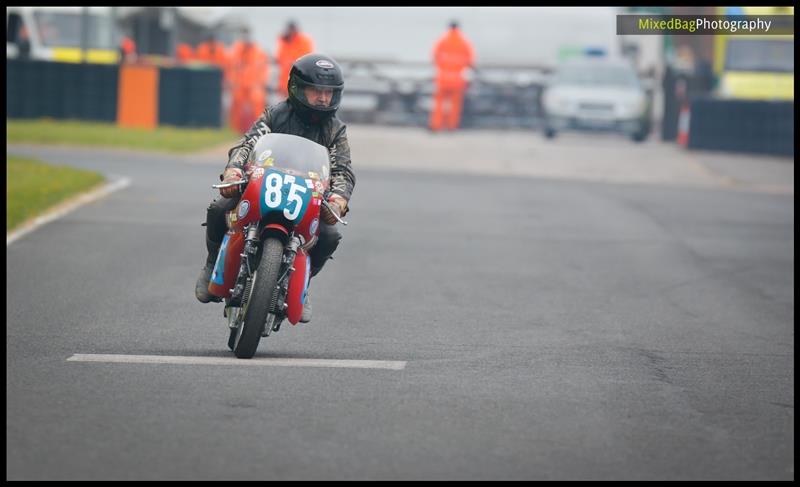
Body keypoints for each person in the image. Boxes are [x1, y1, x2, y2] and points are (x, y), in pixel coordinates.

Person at [195, 53, 355, 324]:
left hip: (310, 194)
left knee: (329, 235)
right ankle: (212, 265)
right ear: (297, 88)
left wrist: (338, 198)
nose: (323, 99)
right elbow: (247, 145)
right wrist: (234, 170)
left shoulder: (335, 130)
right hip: (263, 181)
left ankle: (302, 283)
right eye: (316, 91)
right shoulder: (275, 114)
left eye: (329, 93)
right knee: (219, 208)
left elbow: (343, 169)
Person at [429, 20, 475, 132]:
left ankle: (436, 125)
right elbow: (470, 61)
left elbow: (434, 57)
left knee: (439, 104)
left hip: (442, 78)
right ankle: (452, 126)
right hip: (457, 79)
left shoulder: (442, 40)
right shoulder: (464, 42)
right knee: (455, 105)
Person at [228, 27, 270, 133]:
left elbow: (263, 69)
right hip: (240, 84)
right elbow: (232, 67)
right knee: (236, 104)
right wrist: (233, 81)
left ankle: (259, 128)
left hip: (254, 84)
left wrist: (260, 83)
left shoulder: (258, 51)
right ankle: (236, 129)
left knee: (257, 103)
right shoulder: (237, 49)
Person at [275, 21, 315, 99]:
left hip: (299, 82)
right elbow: (280, 59)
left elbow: (306, 59)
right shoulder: (283, 40)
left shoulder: (304, 41)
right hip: (285, 83)